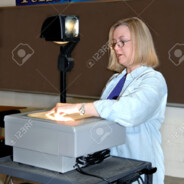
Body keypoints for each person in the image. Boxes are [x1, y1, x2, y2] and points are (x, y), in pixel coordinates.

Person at [47, 17, 168, 184]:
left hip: (138, 170)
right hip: (111, 169)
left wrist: (79, 108)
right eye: (114, 43)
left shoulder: (154, 80)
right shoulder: (115, 81)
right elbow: (102, 118)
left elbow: (129, 112)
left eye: (122, 42)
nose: (116, 48)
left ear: (140, 43)